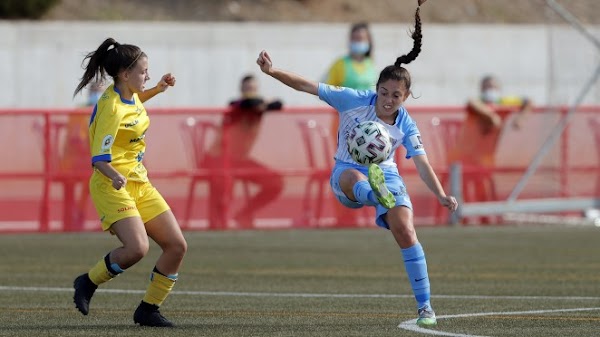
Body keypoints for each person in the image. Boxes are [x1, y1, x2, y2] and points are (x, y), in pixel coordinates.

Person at [256, 2, 457, 328]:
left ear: (406, 97)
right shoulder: (353, 99)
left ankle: (425, 308)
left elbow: (422, 164)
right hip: (347, 175)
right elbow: (308, 85)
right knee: (352, 174)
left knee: (406, 229)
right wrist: (271, 71)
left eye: (395, 95)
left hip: (386, 174)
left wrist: (441, 195)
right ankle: (373, 195)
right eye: (383, 92)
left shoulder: (406, 124)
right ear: (375, 89)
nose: (388, 100)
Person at [71, 37, 187, 327]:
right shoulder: (110, 107)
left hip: (139, 182)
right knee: (137, 249)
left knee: (176, 246)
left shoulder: (128, 93)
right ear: (125, 75)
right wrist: (115, 175)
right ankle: (87, 282)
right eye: (144, 72)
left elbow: (134, 102)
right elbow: (99, 158)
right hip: (112, 184)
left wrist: (157, 89)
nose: (147, 75)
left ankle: (148, 310)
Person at [447, 75, 532, 223]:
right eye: (486, 87)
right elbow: (471, 102)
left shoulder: (503, 103)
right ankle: (463, 218)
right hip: (462, 157)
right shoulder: (477, 104)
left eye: (493, 87)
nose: (490, 90)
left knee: (482, 177)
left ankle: (485, 218)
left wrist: (521, 118)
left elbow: (528, 101)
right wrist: (491, 116)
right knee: (467, 177)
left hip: (484, 159)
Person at [203, 74, 284, 229]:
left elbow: (278, 104)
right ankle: (218, 224)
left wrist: (263, 105)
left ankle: (244, 214)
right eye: (247, 88)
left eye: (253, 89)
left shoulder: (258, 107)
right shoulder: (238, 106)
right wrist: (262, 103)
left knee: (275, 183)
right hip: (218, 158)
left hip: (239, 160)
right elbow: (245, 103)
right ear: (241, 90)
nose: (250, 92)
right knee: (225, 185)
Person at [324, 22, 378, 226]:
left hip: (370, 132)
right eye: (355, 38)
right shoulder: (341, 65)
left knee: (370, 172)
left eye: (362, 38)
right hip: (345, 130)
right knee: (345, 170)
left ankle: (371, 216)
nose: (358, 42)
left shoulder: (371, 66)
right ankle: (343, 218)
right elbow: (330, 94)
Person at [60, 81, 104, 230]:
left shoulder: (110, 110)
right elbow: (75, 140)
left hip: (99, 160)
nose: (96, 93)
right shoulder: (80, 112)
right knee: (92, 179)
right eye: (94, 90)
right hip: (79, 161)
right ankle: (78, 216)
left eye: (100, 90)